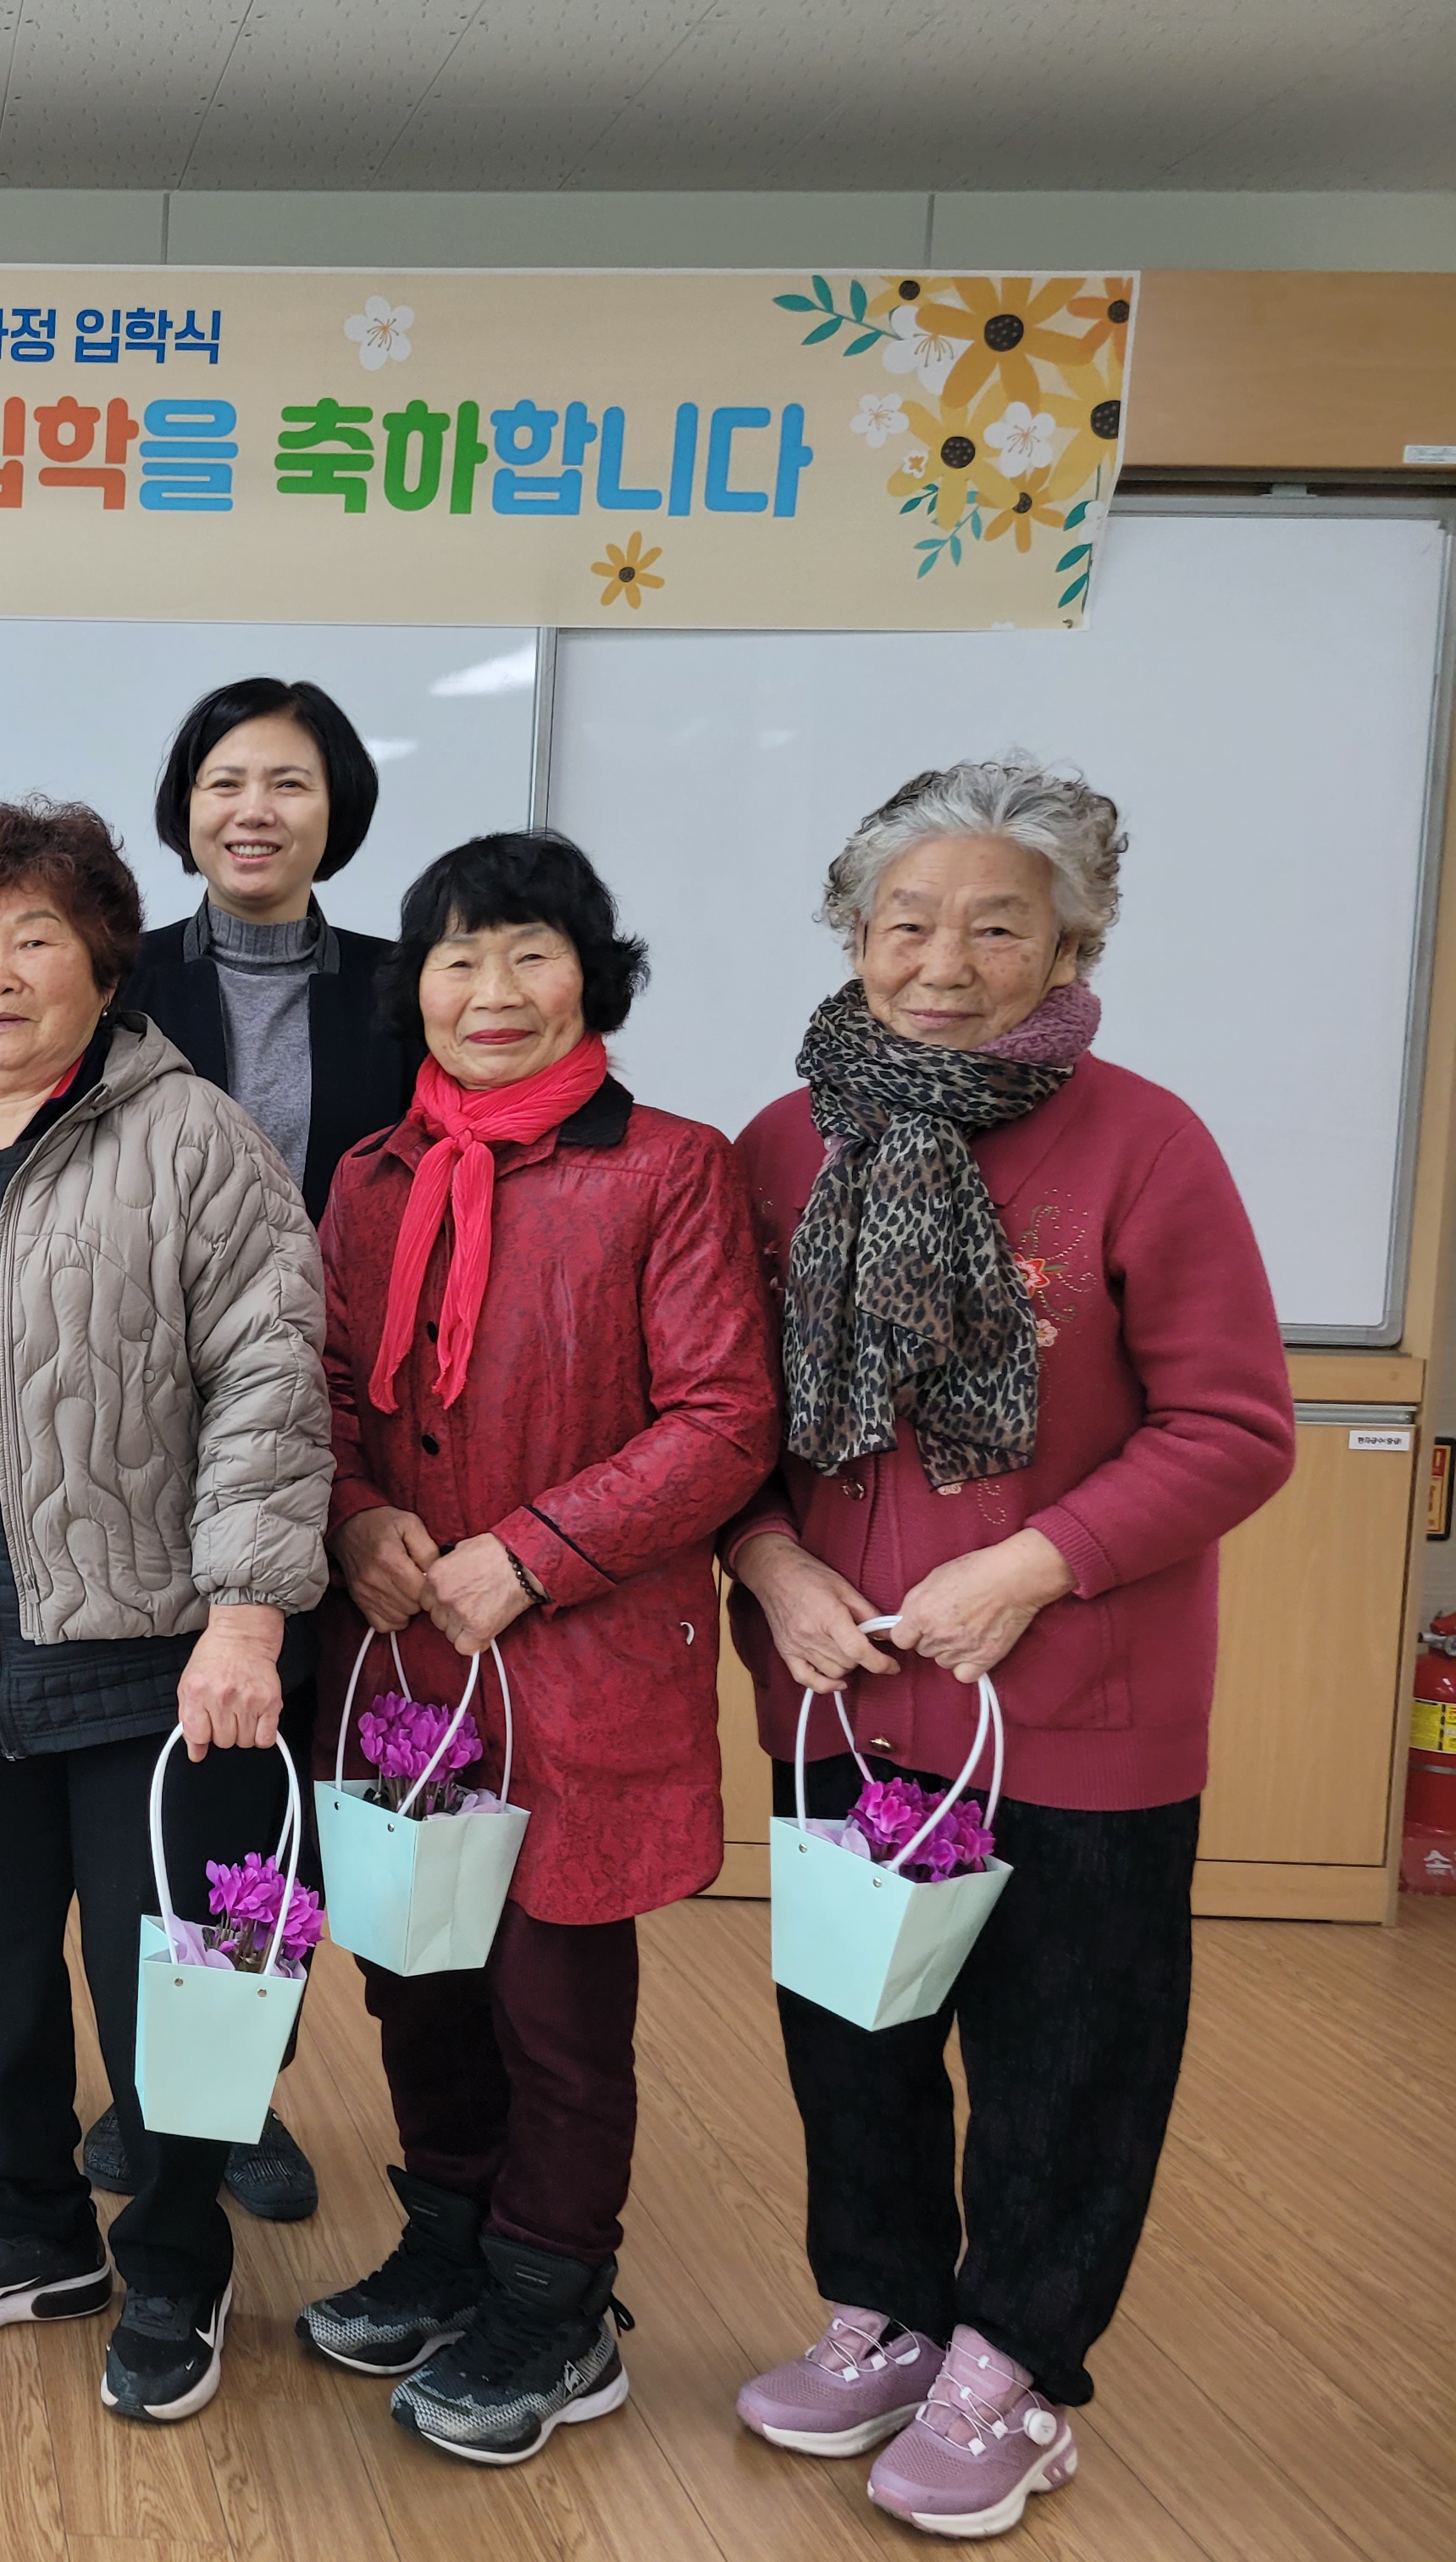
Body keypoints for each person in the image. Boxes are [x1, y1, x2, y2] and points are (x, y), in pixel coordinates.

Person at [722, 762, 1291, 2542]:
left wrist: (1036, 1567)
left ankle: (1016, 2368)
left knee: (1066, 2058)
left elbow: (1234, 1427)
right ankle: (887, 2314)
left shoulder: (1147, 1142)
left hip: (1076, 1703)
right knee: (854, 2036)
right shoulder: (782, 1142)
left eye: (996, 928)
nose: (945, 963)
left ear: (1070, 947)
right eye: (908, 923)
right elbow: (726, 1417)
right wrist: (767, 1564)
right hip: (842, 1691)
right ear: (854, 935)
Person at [0, 799, 332, 2428]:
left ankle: (178, 2263)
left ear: (106, 968)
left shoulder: (192, 1138)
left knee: (167, 1995)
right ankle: (26, 2232)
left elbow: (271, 1381)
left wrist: (247, 1616)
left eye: (35, 939)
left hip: (157, 1663)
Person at [299, 829, 778, 2466]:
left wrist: (534, 1552)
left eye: (529, 953)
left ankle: (556, 2300)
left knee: (555, 2004)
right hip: (406, 1651)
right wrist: (357, 1517)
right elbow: (325, 1385)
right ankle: (450, 2243)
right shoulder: (371, 1176)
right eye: (456, 957)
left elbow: (725, 1418)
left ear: (592, 976)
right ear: (415, 986)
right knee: (418, 1980)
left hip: (581, 1653)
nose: (490, 990)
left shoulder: (671, 1167)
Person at [102, 672, 418, 2223]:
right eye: (225, 781)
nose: (254, 811)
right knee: (142, 1779)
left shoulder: (410, 993)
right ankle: (135, 2087)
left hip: (340, 1428)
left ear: (335, 810)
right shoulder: (119, 979)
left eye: (289, 783)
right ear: (184, 809)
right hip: (130, 1437)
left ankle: (239, 2092)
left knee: (270, 1785)